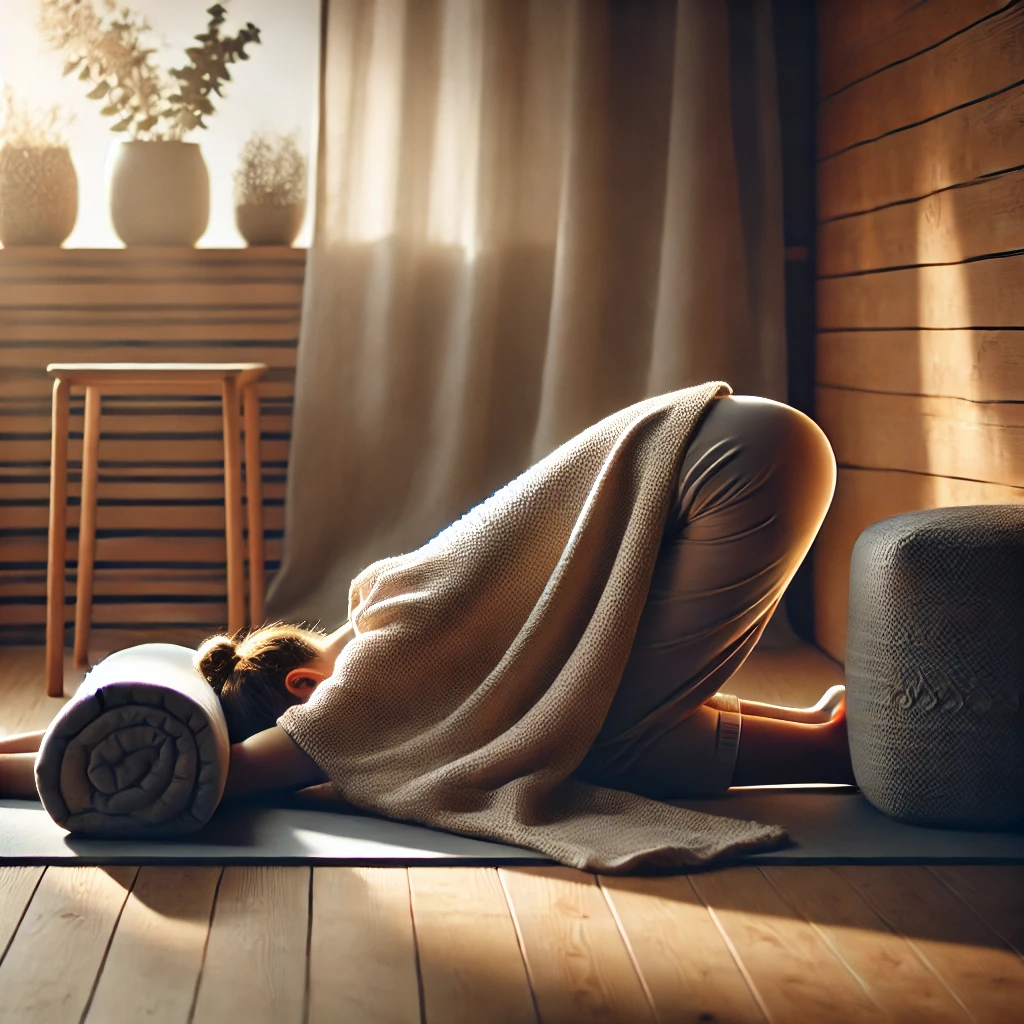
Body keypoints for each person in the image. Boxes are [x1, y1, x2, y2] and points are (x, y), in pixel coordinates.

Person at [0, 392, 853, 806]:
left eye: (300, 735)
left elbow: (202, 776)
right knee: (582, 704)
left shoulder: (364, 686)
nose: (314, 753)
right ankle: (822, 726)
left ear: (300, 693)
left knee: (593, 744)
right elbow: (150, 729)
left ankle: (833, 755)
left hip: (735, 475)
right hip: (737, 443)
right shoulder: (377, 606)